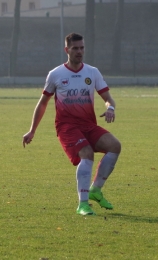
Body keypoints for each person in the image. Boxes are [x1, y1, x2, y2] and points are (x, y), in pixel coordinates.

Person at [22, 32, 121, 216]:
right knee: (87, 153)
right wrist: (32, 130)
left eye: (82, 48)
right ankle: (83, 204)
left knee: (115, 146)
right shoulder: (56, 74)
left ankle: (95, 190)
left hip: (88, 125)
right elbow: (43, 103)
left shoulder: (92, 72)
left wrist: (110, 109)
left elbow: (108, 99)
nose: (79, 51)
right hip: (67, 127)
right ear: (66, 50)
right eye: (75, 48)